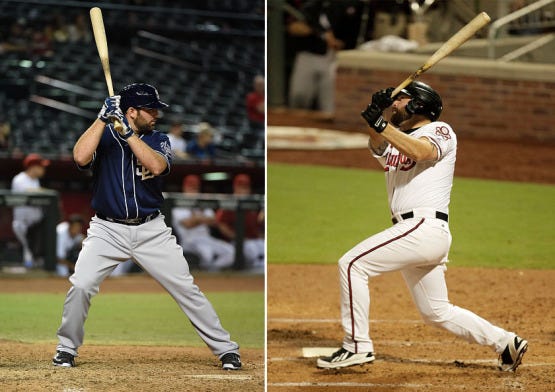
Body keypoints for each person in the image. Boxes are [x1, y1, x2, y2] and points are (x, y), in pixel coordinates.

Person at [316, 81, 528, 372]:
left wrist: (382, 124)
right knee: (436, 312)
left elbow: (422, 152)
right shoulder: (399, 136)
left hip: (423, 226)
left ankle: (356, 346)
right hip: (418, 232)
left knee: (352, 264)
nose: (395, 105)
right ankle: (506, 342)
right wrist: (377, 119)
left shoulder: (439, 131)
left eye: (401, 100)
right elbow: (378, 148)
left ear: (419, 104)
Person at [52, 83, 241, 370]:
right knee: (81, 285)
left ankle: (226, 350)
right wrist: (101, 118)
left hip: (151, 230)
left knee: (186, 289)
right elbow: (79, 156)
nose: (156, 115)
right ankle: (66, 348)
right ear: (131, 111)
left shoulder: (159, 139)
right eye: (150, 110)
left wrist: (127, 133)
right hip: (107, 229)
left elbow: (155, 166)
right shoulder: (103, 136)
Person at [287, 1, 363, 117]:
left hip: (333, 57)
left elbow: (351, 34)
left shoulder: (347, 6)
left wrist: (340, 43)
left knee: (329, 104)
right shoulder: (310, 5)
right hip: (308, 55)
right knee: (299, 96)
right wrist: (321, 33)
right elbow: (294, 27)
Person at [172, 175, 235, 271]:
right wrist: (202, 218)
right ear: (184, 188)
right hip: (189, 241)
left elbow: (214, 220)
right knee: (207, 254)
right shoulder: (179, 205)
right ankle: (205, 275)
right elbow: (188, 224)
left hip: (206, 238)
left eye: (195, 188)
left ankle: (212, 272)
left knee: (231, 251)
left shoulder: (202, 203)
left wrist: (196, 218)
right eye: (190, 188)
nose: (193, 191)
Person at [216, 174, 264, 272]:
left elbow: (258, 224)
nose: (243, 190)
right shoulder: (229, 204)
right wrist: (238, 238)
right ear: (235, 187)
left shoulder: (252, 203)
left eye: (246, 187)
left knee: (263, 249)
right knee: (253, 251)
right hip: (237, 242)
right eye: (241, 187)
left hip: (254, 239)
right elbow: (221, 224)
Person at [11, 153, 50, 269]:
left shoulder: (35, 181)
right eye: (41, 166)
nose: (43, 169)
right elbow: (30, 191)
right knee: (29, 250)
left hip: (35, 225)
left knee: (32, 252)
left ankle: (30, 270)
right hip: (23, 224)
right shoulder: (19, 179)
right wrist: (45, 192)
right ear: (33, 167)